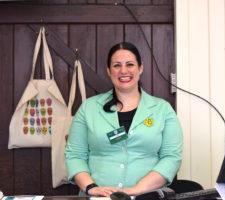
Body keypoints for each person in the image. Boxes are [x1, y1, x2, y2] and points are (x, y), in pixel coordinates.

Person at [65, 42, 183, 197]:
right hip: (99, 198)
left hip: (146, 196)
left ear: (140, 68)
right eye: (116, 65)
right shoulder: (89, 108)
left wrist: (136, 190)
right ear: (108, 70)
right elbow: (75, 155)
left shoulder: (163, 109)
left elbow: (171, 157)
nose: (123, 71)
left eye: (130, 64)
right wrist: (91, 188)